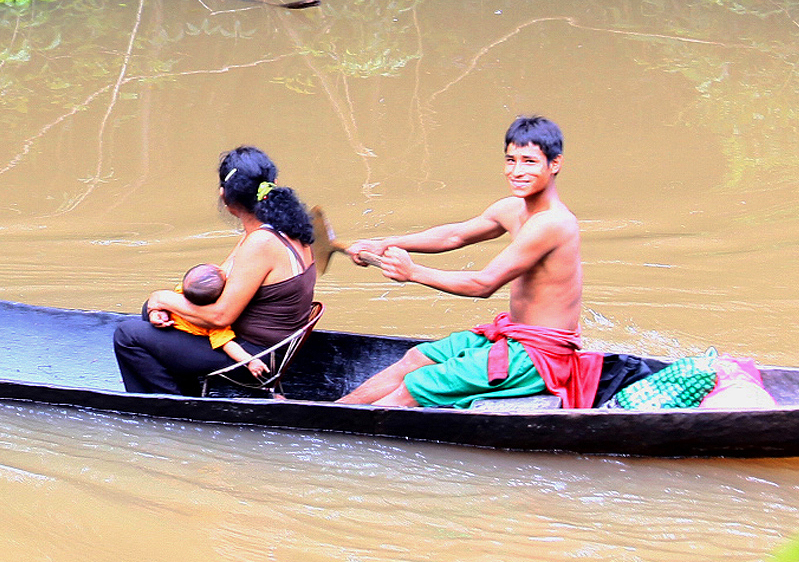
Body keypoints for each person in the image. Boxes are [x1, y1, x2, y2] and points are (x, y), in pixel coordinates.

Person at [335, 115, 598, 409]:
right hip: (512, 337)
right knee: (415, 358)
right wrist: (386, 243)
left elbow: (483, 284)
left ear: (555, 164)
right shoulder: (511, 208)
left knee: (415, 386)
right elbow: (454, 236)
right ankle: (330, 412)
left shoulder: (553, 223)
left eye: (529, 161)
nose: (516, 171)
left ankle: (339, 423)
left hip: (537, 357)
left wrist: (412, 272)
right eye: (511, 160)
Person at [114, 148, 319, 395]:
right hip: (270, 347)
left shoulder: (261, 243)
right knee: (152, 310)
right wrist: (159, 304)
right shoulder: (285, 225)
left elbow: (220, 318)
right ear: (273, 185)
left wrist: (162, 297)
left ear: (225, 197)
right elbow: (222, 277)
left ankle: (176, 406)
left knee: (127, 335)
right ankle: (186, 387)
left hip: (253, 357)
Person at [144, 263, 263, 378]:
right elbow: (228, 345)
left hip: (168, 326)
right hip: (185, 340)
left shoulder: (181, 293)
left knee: (146, 310)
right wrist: (250, 361)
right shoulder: (212, 323)